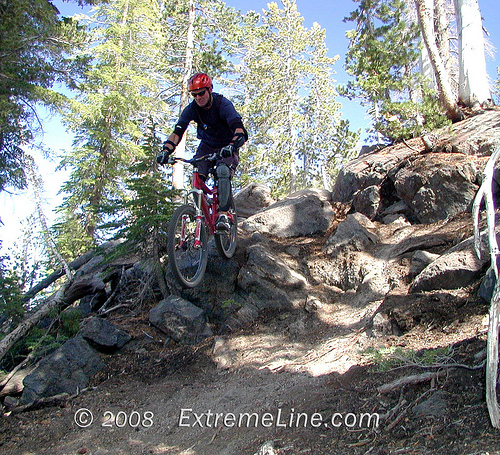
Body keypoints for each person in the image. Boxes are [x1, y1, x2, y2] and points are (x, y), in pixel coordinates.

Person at [157, 73, 247, 231]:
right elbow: (177, 132)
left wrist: (232, 145)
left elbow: (239, 129)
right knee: (197, 175)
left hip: (227, 144)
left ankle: (223, 214)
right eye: (194, 95)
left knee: (222, 170)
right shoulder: (192, 109)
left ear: (210, 89)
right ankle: (202, 213)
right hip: (207, 145)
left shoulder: (222, 104)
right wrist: (166, 150)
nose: (198, 97)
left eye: (201, 93)